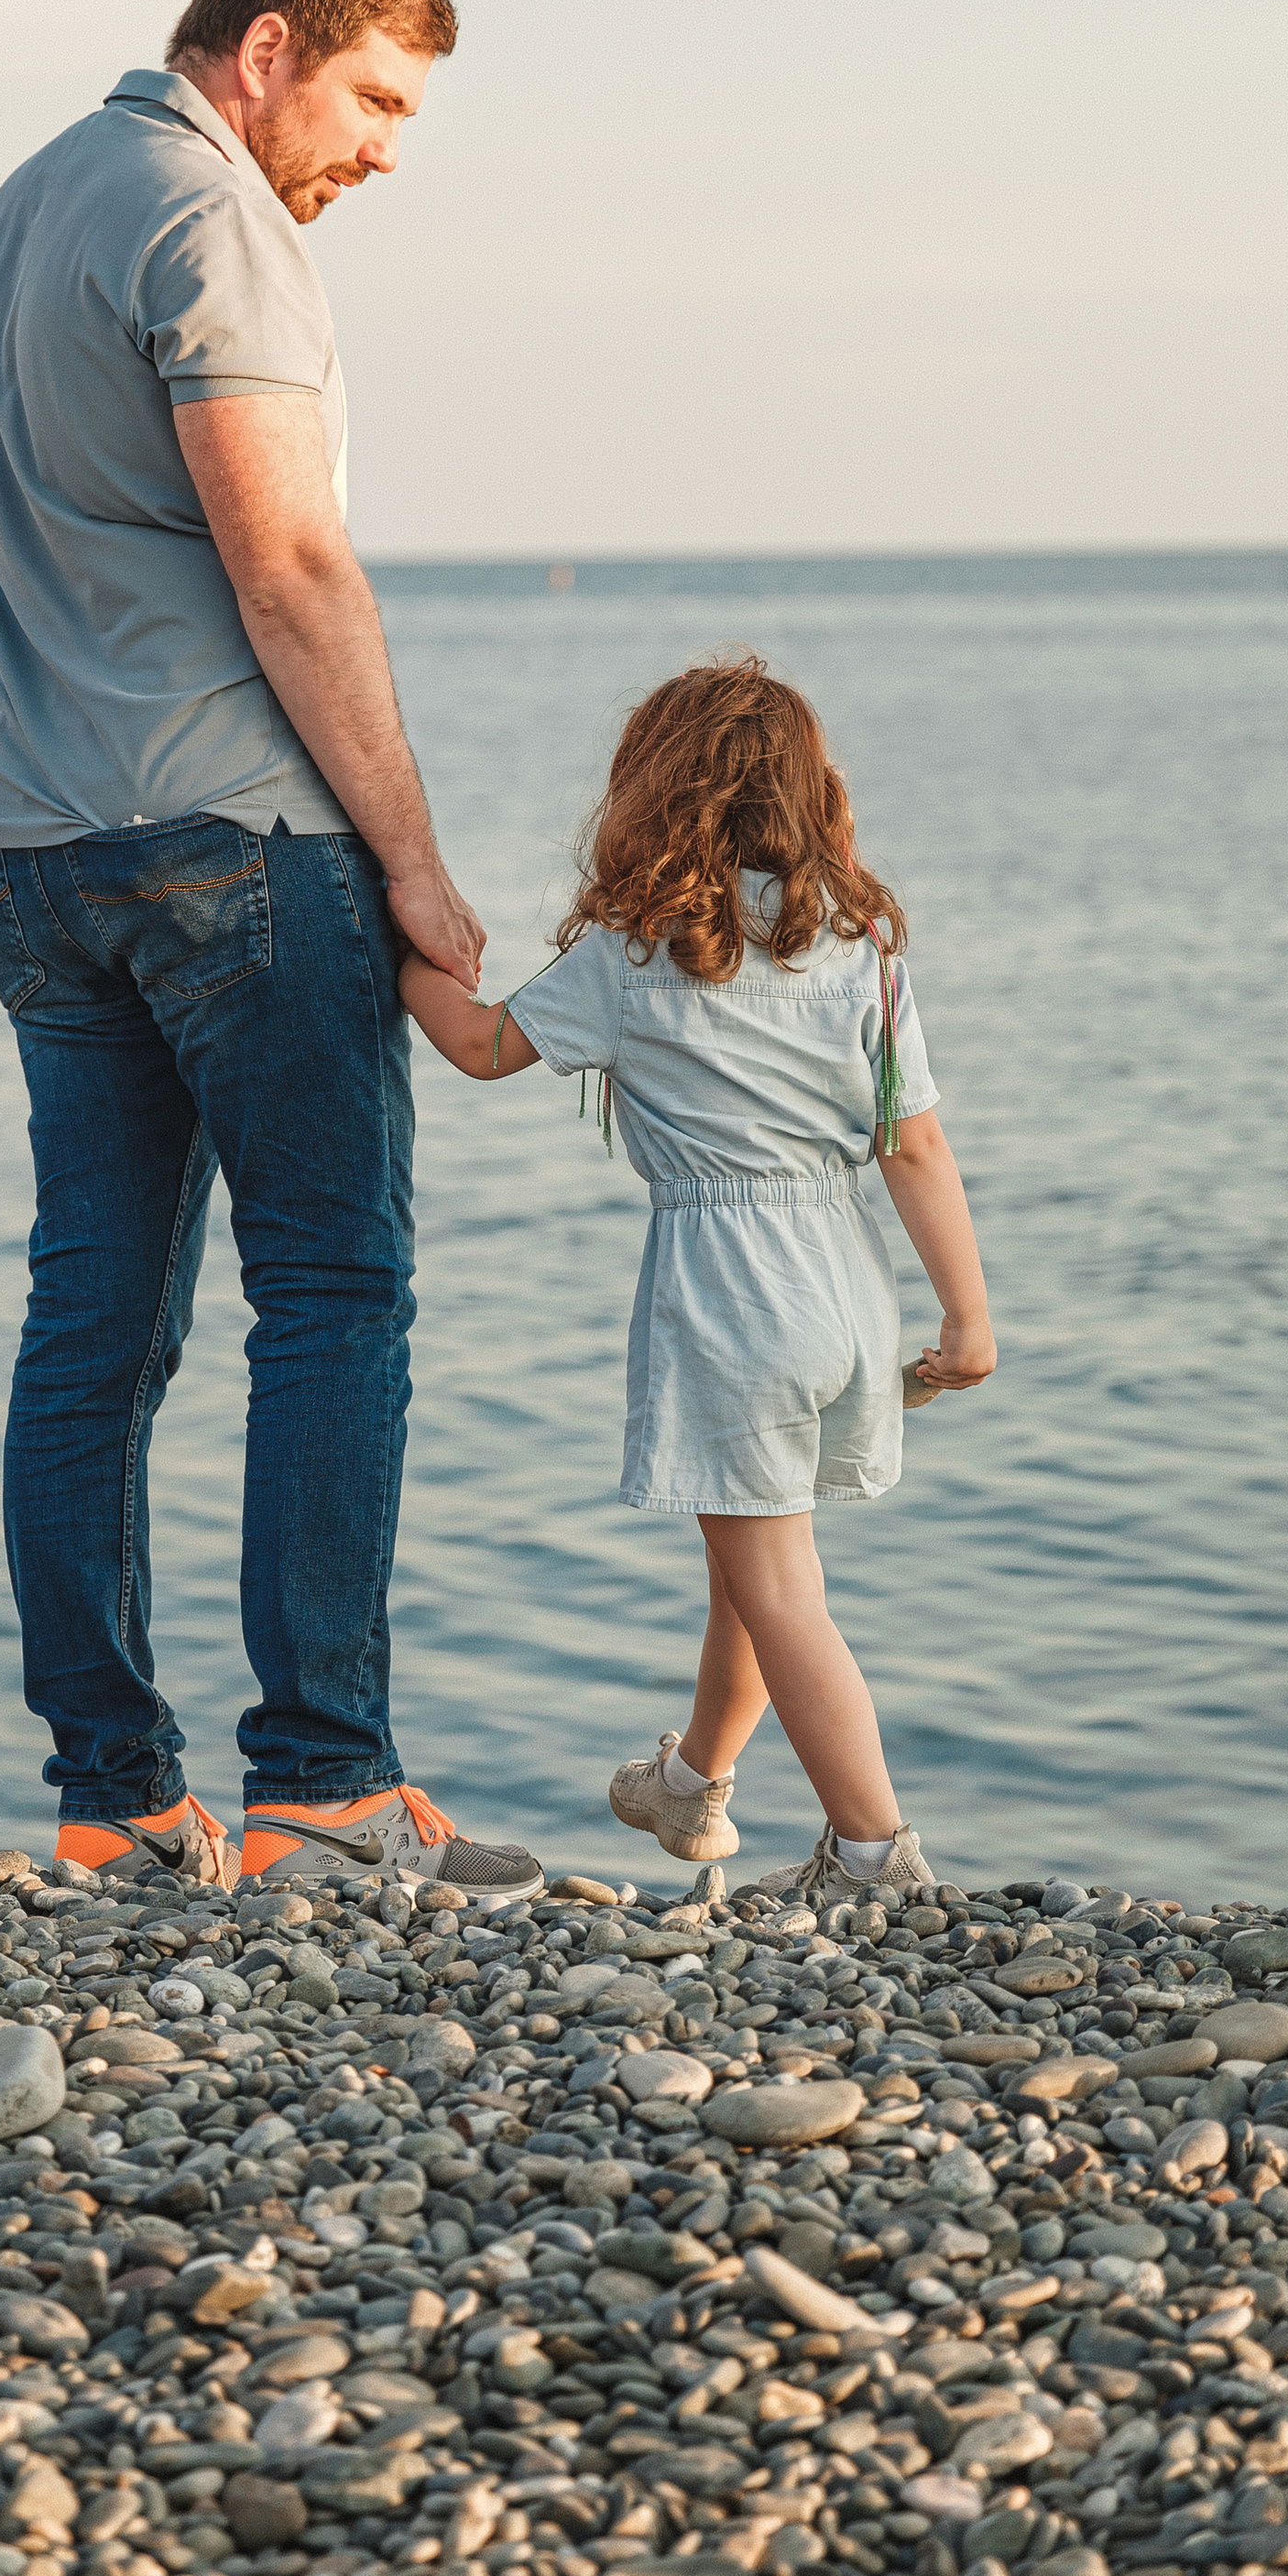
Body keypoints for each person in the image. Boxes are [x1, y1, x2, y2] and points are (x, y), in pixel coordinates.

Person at [0, 0, 542, 1905]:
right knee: (333, 1294)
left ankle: (115, 1796)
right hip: (233, 840)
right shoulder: (216, 224)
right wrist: (417, 864)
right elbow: (290, 572)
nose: (379, 149)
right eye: (371, 97)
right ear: (266, 47)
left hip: (35, 842)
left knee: (92, 1320)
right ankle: (324, 1781)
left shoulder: (23, 208)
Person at [398, 654, 996, 1902]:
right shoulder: (858, 943)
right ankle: (696, 1786)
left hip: (733, 1285)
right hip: (846, 1272)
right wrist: (968, 1315)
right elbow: (916, 1141)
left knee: (778, 1584)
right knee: (762, 1559)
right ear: (807, 793)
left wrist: (392, 938)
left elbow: (477, 1045)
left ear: (651, 792)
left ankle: (876, 1854)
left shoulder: (637, 953)